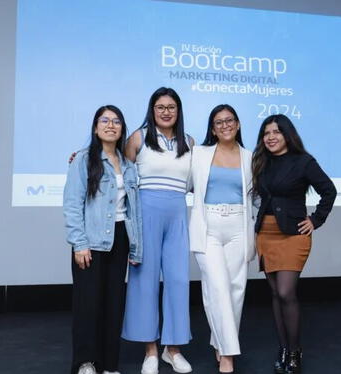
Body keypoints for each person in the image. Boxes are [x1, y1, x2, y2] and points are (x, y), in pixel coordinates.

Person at [251, 114, 336, 374]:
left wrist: (315, 220)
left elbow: (329, 190)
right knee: (276, 294)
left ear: (288, 134)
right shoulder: (260, 161)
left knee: (287, 292)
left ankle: (295, 349)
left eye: (276, 132)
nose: (271, 137)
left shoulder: (304, 162)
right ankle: (284, 347)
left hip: (292, 235)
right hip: (265, 233)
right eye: (266, 133)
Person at [63, 105, 143, 374]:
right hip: (92, 240)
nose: (111, 125)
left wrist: (135, 247)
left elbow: (134, 210)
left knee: (113, 305)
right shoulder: (83, 160)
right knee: (88, 305)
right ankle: (85, 363)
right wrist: (79, 243)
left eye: (117, 121)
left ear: (122, 128)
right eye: (105, 120)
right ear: (96, 127)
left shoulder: (129, 165)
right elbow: (72, 204)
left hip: (120, 239)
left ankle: (109, 364)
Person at [121, 87, 194, 374]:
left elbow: (200, 180)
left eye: (171, 106)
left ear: (178, 110)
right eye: (160, 106)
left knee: (177, 281)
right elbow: (116, 170)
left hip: (177, 215)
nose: (166, 111)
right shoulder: (138, 137)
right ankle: (150, 350)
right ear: (152, 110)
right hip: (146, 214)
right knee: (144, 280)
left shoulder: (189, 142)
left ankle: (172, 350)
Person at [189, 105, 255, 374]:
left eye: (230, 120)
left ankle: (220, 341)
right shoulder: (199, 154)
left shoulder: (251, 157)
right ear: (212, 128)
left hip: (239, 226)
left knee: (235, 290)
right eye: (219, 122)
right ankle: (228, 354)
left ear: (238, 124)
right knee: (217, 288)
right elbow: (171, 172)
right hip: (208, 227)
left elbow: (260, 195)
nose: (225, 125)